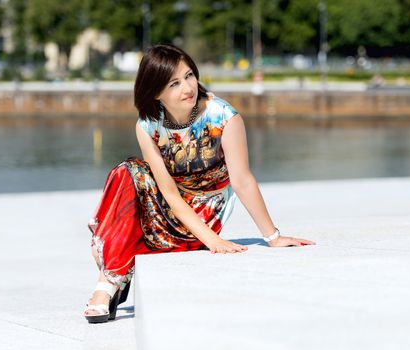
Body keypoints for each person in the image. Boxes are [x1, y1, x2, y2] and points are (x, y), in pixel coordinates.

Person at [83, 43, 315, 323]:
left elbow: (242, 180)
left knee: (127, 217)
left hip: (204, 214)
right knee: (127, 171)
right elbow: (168, 192)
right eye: (174, 83)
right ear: (156, 92)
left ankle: (110, 281)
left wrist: (272, 237)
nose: (187, 88)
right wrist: (212, 242)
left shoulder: (222, 116)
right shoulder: (147, 126)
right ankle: (109, 282)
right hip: (171, 207)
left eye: (190, 76)